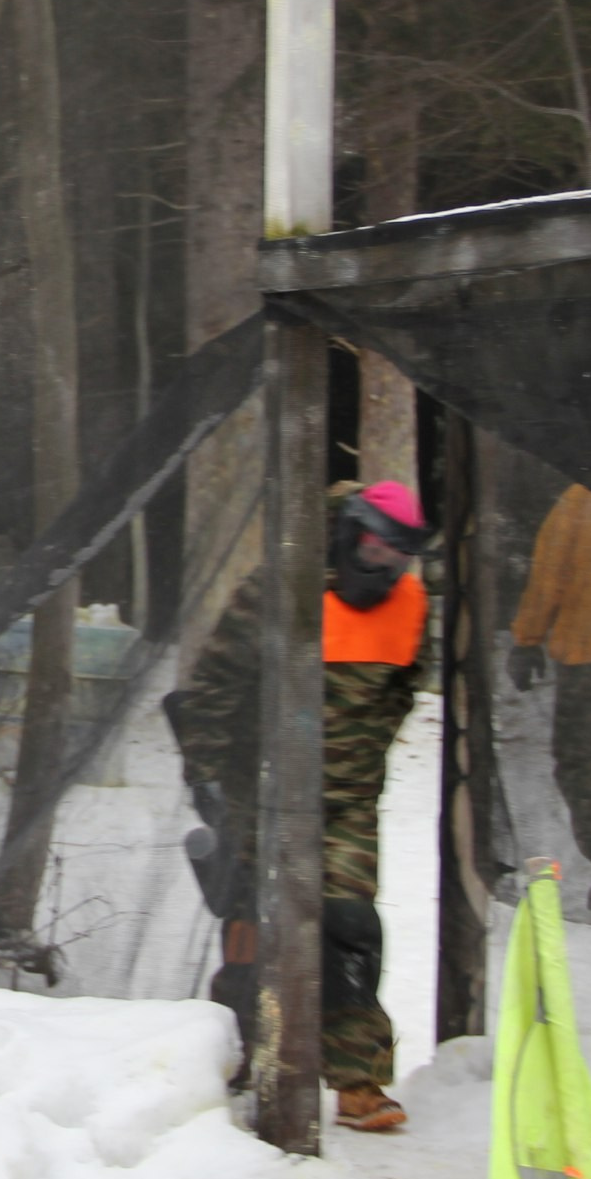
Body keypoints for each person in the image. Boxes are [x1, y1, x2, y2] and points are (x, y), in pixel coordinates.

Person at [164, 479, 431, 1133]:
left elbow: (397, 694)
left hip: (345, 804)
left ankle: (358, 1079)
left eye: (398, 554)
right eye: (372, 544)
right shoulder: (279, 590)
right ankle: (241, 1051)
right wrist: (209, 774)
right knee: (252, 925)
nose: (383, 563)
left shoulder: (413, 606)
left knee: (349, 928)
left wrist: (357, 770)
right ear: (347, 533)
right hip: (263, 795)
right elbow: (213, 685)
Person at [509, 483, 591, 916]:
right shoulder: (584, 501)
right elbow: (550, 572)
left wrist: (527, 639)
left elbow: (548, 574)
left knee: (589, 768)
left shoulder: (581, 500)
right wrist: (527, 639)